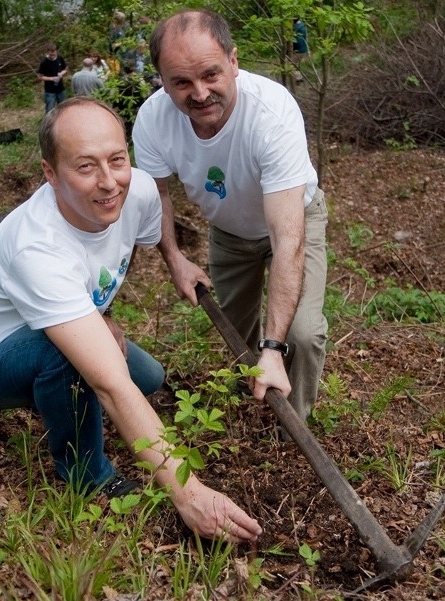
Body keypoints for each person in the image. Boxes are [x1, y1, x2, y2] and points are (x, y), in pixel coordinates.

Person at [0, 97, 262, 544]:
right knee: (84, 366)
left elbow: (148, 232)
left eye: (117, 159)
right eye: (85, 167)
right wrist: (189, 494)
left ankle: (60, 388)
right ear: (50, 173)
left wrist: (174, 260)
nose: (109, 182)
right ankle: (87, 476)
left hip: (47, 326)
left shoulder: (139, 191)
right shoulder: (36, 247)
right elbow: (110, 383)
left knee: (149, 378)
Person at [132, 9, 328, 423]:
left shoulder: (270, 115)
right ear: (162, 81)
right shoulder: (152, 120)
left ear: (234, 62)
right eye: (181, 82)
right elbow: (157, 195)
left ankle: (293, 424)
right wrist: (175, 259)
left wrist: (273, 347)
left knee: (302, 334)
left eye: (211, 74)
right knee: (235, 330)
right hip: (227, 230)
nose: (200, 93)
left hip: (292, 223)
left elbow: (287, 238)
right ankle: (252, 393)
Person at [37, 43, 68, 113]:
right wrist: (52, 78)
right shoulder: (44, 62)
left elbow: (65, 69)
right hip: (50, 90)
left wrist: (61, 74)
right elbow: (39, 76)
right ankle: (49, 123)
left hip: (60, 89)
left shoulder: (60, 58)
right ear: (47, 52)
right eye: (51, 54)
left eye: (54, 54)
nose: (53, 56)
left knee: (64, 108)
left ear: (56, 51)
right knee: (50, 110)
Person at [292, 18, 309, 83]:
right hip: (303, 49)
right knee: (296, 64)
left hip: (298, 50)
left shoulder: (297, 29)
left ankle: (298, 78)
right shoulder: (303, 25)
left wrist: (292, 49)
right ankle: (299, 77)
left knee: (290, 65)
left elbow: (297, 42)